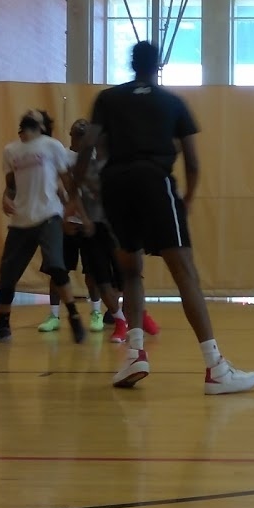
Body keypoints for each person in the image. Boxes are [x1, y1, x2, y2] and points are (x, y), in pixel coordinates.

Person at [78, 41, 254, 394]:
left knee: (130, 272)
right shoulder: (172, 102)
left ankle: (135, 353)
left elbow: (87, 148)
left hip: (115, 187)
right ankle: (215, 368)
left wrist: (72, 198)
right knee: (185, 274)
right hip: (153, 183)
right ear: (158, 64)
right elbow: (191, 161)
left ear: (131, 64)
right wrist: (187, 199)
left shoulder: (108, 99)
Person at [37, 119, 161, 341]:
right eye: (78, 134)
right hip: (78, 223)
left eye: (87, 136)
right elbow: (63, 188)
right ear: (71, 134)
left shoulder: (107, 161)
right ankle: (60, 315)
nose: (82, 139)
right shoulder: (65, 158)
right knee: (66, 270)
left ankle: (129, 314)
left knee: (119, 275)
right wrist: (69, 212)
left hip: (106, 225)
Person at [0, 110, 86, 345]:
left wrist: (71, 210)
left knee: (57, 266)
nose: (29, 113)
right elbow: (11, 185)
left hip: (49, 215)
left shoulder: (51, 146)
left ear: (43, 125)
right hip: (20, 221)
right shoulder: (11, 150)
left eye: (35, 114)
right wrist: (6, 196)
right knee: (7, 274)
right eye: (27, 113)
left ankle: (75, 317)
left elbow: (67, 181)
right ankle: (3, 326)